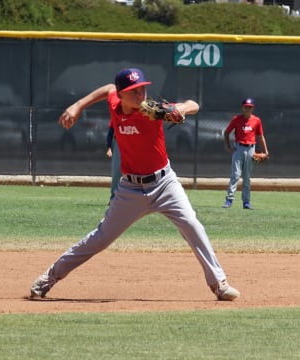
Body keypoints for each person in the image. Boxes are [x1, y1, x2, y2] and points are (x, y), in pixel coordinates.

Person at [30, 67, 240, 301]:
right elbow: (108, 88)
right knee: (99, 239)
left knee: (192, 225)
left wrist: (179, 109)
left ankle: (219, 283)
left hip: (164, 184)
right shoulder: (114, 104)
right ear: (121, 95)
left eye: (142, 89)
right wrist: (77, 106)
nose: (141, 95)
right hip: (130, 190)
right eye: (134, 91)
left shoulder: (153, 112)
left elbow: (193, 104)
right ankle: (46, 280)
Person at [222, 98, 269, 210]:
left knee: (247, 177)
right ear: (242, 107)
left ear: (253, 108)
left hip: (251, 149)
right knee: (235, 175)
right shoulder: (236, 119)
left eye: (250, 107)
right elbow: (227, 132)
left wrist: (266, 151)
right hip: (239, 148)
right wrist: (228, 146)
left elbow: (260, 136)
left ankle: (246, 202)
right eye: (246, 107)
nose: (248, 109)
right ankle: (229, 200)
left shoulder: (256, 120)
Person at [105, 125, 121, 201]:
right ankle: (114, 197)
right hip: (120, 143)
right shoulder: (117, 114)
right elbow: (111, 131)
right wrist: (109, 147)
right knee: (116, 172)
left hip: (135, 143)